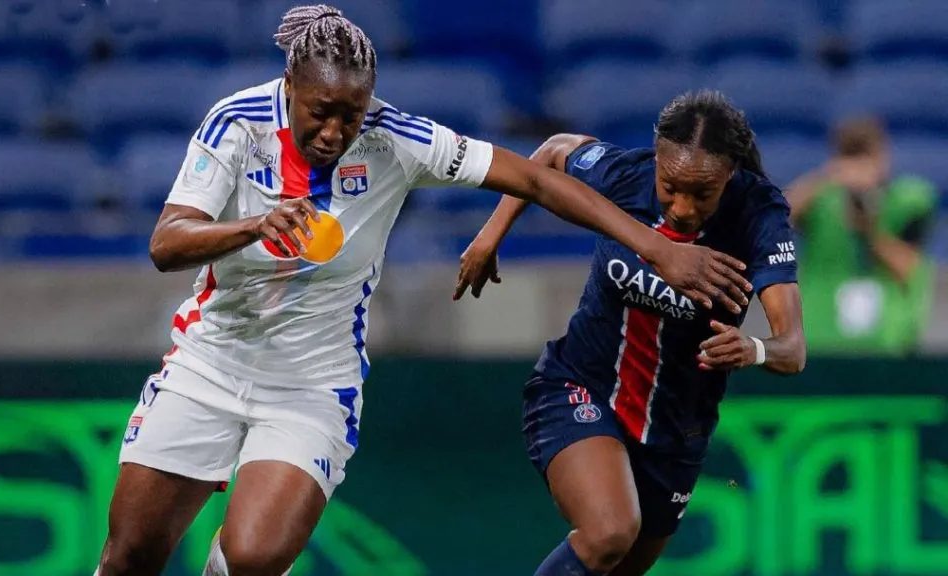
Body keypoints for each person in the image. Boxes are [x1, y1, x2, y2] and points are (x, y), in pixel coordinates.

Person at [94, 5, 752, 575]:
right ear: (290, 86)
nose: (335, 132)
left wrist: (656, 246)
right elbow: (167, 243)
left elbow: (536, 180)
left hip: (311, 387)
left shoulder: (396, 139)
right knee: (130, 559)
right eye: (322, 113)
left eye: (351, 115)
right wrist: (254, 225)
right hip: (208, 366)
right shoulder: (236, 124)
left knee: (255, 557)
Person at [455, 90, 806, 576]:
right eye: (670, 187)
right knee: (609, 532)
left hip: (675, 432)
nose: (682, 207)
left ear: (730, 175)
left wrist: (756, 348)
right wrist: (491, 234)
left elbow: (793, 350)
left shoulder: (759, 215)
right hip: (580, 384)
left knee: (616, 565)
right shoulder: (625, 175)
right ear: (657, 160)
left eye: (701, 193)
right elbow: (552, 152)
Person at [786, 116, 937, 356]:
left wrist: (870, 229)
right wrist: (827, 177)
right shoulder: (820, 200)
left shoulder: (909, 199)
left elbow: (908, 268)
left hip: (887, 337)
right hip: (822, 335)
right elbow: (776, 220)